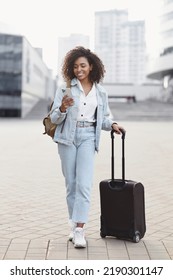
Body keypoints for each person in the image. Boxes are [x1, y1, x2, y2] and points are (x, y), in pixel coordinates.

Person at [50, 46, 125, 248]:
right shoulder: (64, 89)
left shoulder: (101, 92)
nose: (79, 69)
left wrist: (113, 125)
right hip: (67, 138)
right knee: (71, 184)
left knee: (84, 184)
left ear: (91, 67)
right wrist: (63, 108)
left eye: (83, 65)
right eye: (75, 66)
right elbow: (54, 118)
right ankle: (73, 224)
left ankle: (80, 230)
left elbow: (103, 119)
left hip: (88, 137)